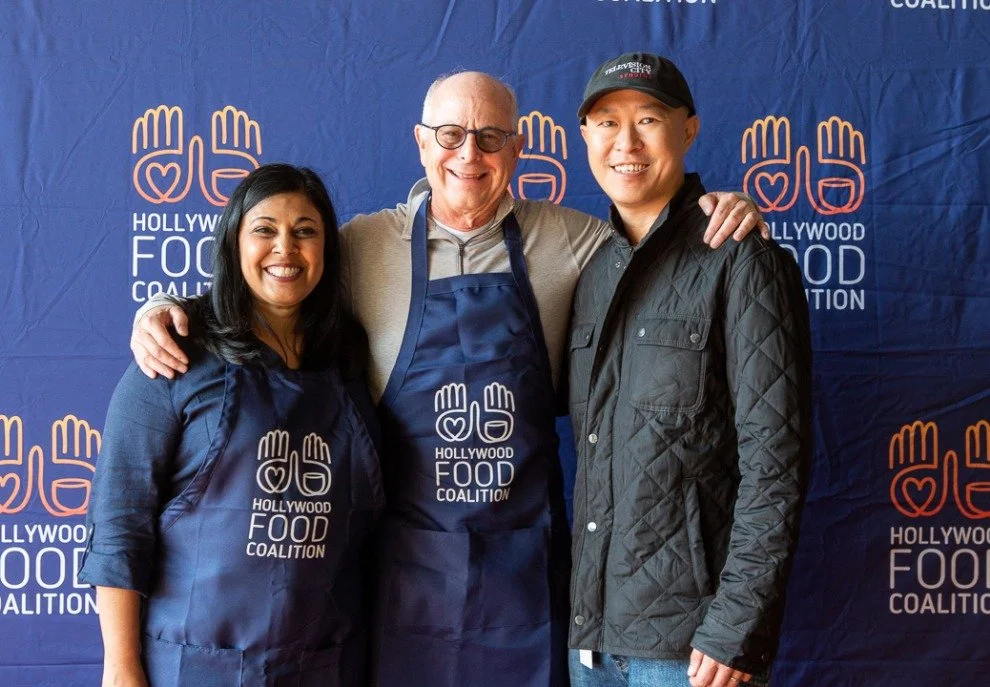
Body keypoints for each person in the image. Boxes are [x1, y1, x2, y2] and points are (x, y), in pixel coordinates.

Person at [130, 72, 766, 687]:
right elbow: (271, 282)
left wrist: (713, 208)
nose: (470, 153)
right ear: (421, 142)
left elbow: (656, 243)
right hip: (405, 583)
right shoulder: (361, 246)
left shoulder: (575, 241)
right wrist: (166, 311)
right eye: (450, 134)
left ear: (517, 148)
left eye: (491, 137)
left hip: (527, 581)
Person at [79, 164, 384, 687]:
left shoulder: (351, 358)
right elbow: (119, 525)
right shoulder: (176, 354)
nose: (285, 248)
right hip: (196, 665)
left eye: (305, 231)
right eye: (264, 230)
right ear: (233, 243)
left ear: (327, 250)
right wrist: (121, 668)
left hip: (325, 663)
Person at [566, 53, 812, 687]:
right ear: (584, 136)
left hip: (691, 653)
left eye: (649, 119)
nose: (626, 143)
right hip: (591, 646)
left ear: (689, 130)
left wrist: (737, 627)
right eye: (607, 123)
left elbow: (776, 461)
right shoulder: (591, 272)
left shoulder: (738, 257)